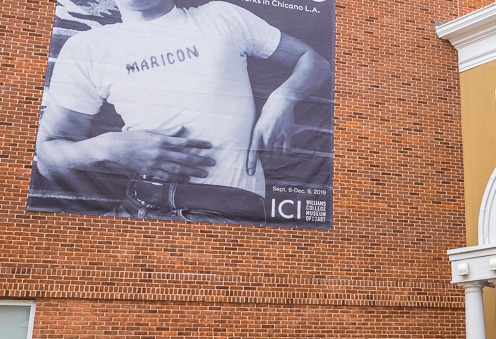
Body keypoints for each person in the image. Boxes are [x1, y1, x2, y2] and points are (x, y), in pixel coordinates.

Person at [35, 0, 331, 223]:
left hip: (224, 210)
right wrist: (111, 148)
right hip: (137, 205)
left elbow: (314, 61)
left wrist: (282, 100)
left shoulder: (220, 16)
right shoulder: (87, 47)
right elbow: (48, 156)